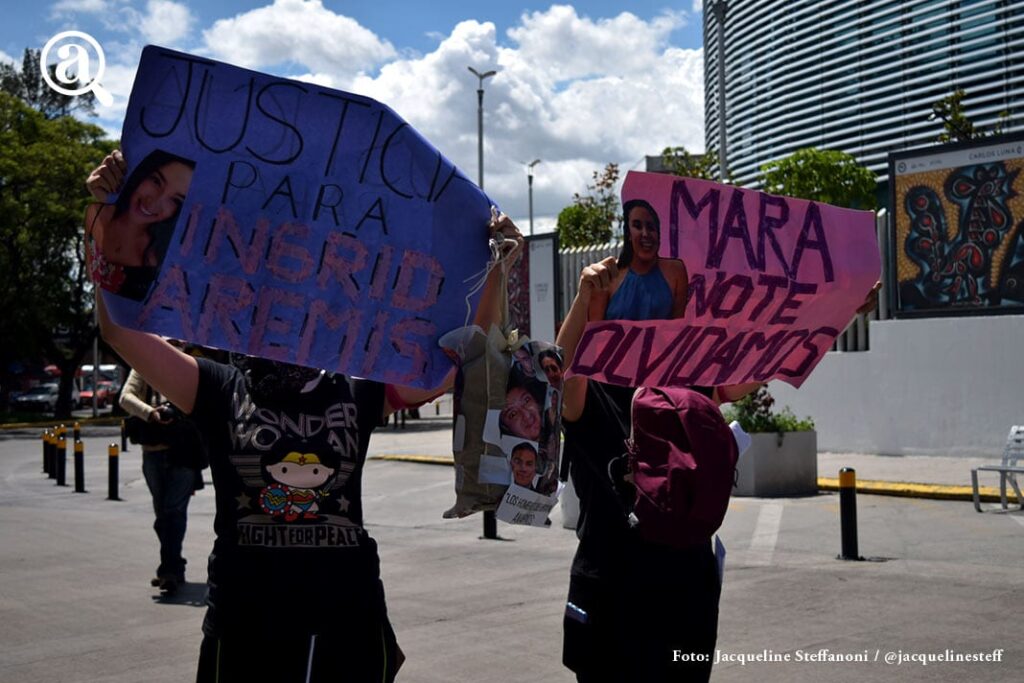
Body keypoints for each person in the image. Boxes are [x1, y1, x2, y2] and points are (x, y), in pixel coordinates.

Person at [89, 151, 522, 682]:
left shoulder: (360, 385)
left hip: (345, 622)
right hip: (245, 624)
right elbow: (118, 332)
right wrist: (107, 215)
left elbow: (464, 357)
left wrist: (497, 267)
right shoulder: (215, 385)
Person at [120, 367, 206, 594]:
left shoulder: (191, 366)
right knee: (162, 515)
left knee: (173, 512)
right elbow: (125, 398)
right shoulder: (142, 368)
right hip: (153, 453)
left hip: (184, 452)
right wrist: (151, 412)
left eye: (179, 342)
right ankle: (175, 565)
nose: (175, 344)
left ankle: (168, 570)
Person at [86, 149, 196, 300]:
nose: (155, 202)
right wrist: (108, 194)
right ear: (141, 173)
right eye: (156, 181)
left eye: (176, 200)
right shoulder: (99, 216)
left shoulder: (164, 256)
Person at [589, 198, 688, 324]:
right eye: (637, 226)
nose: (645, 233)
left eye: (651, 227)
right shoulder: (607, 277)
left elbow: (678, 330)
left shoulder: (675, 272)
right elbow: (594, 336)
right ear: (628, 234)